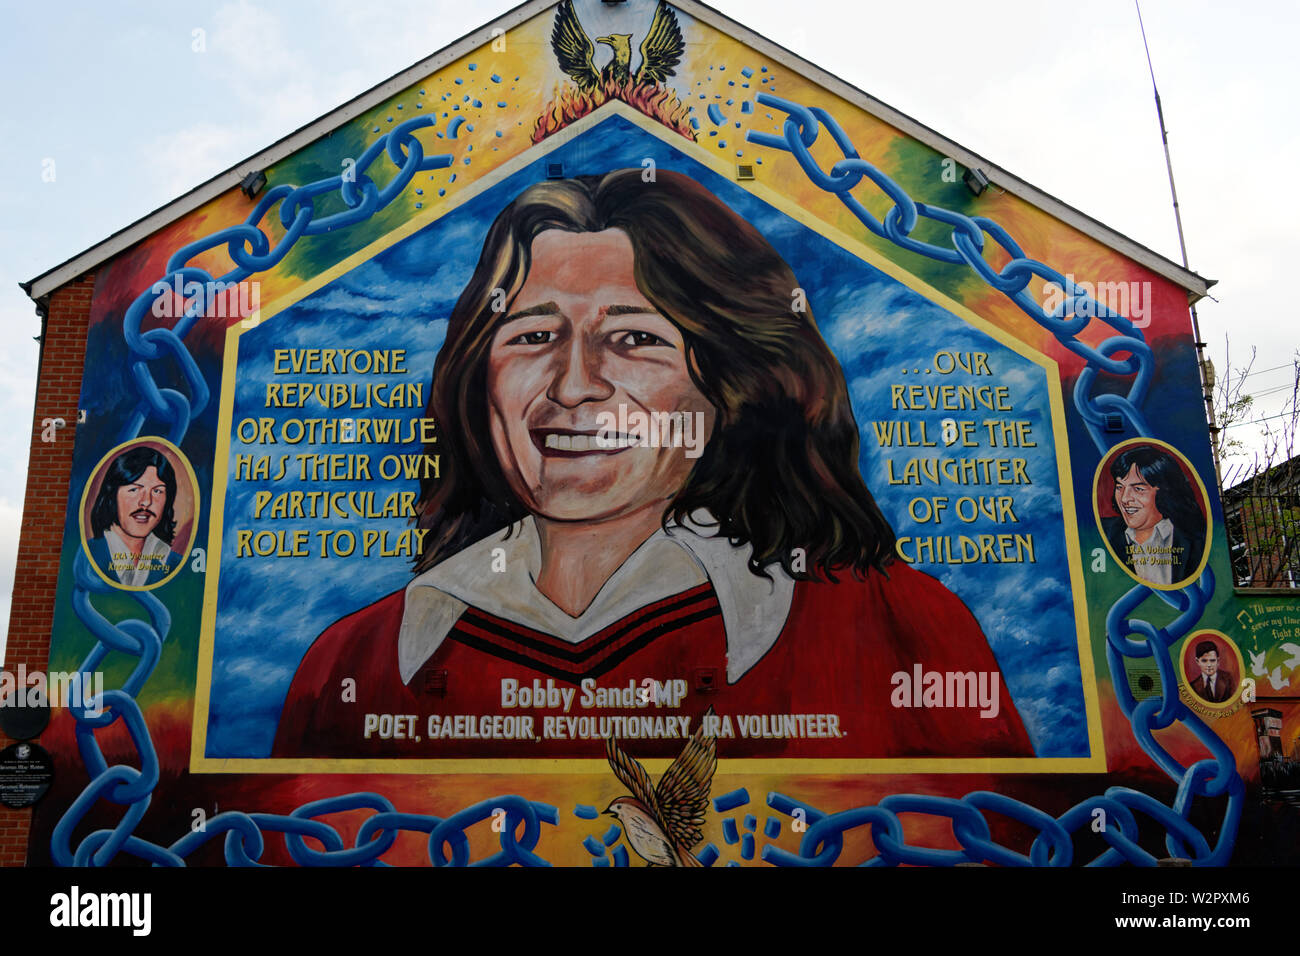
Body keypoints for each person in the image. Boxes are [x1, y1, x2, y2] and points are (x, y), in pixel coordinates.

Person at [272, 169, 1033, 760]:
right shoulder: (360, 663)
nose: (574, 386)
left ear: (732, 381)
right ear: (481, 382)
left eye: (635, 340)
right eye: (533, 338)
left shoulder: (897, 630)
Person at [1102, 445, 1205, 587]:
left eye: (1138, 489)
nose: (1125, 499)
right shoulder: (1101, 533)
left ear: (1164, 492)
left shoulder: (1195, 538)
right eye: (1120, 487)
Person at [85, 447, 183, 587]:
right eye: (134, 489)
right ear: (112, 494)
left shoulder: (175, 564)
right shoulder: (87, 557)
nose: (146, 501)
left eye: (157, 491)